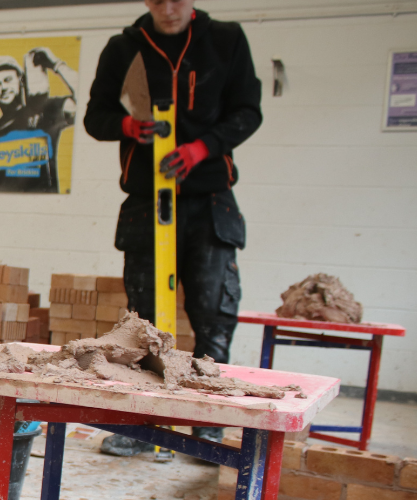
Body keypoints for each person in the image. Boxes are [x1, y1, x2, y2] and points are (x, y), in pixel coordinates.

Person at [84, 0, 261, 455]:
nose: (167, 9)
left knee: (213, 316)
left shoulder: (226, 40)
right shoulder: (124, 48)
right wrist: (126, 124)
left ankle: (208, 425)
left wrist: (202, 149)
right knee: (142, 323)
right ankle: (142, 425)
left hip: (208, 199)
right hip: (147, 201)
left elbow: (247, 111)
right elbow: (95, 117)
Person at [0, 47, 77, 193]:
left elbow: (88, 101)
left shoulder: (46, 112)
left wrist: (56, 65)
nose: (3, 88)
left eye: (8, 80)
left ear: (21, 81)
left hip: (42, 206)